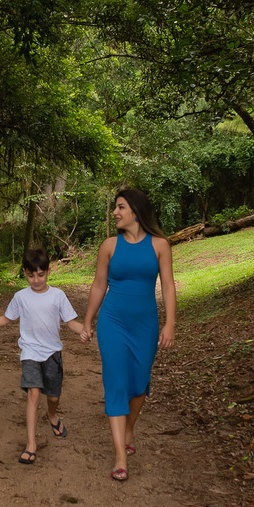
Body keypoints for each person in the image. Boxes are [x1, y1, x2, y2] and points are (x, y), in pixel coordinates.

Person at [80, 188, 176, 482]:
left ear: (135, 210)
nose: (115, 213)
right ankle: (120, 455)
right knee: (117, 382)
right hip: (113, 322)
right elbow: (98, 285)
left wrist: (170, 323)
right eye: (115, 208)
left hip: (145, 325)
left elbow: (169, 285)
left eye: (120, 207)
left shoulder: (160, 245)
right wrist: (88, 320)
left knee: (139, 382)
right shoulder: (109, 246)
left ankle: (130, 426)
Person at [0, 248, 84, 466]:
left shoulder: (58, 296)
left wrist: (84, 330)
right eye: (30, 275)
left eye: (40, 275)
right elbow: (6, 319)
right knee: (33, 395)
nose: (36, 280)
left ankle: (52, 416)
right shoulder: (20, 297)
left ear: (48, 271)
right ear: (25, 273)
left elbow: (71, 322)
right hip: (30, 353)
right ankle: (31, 444)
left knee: (53, 397)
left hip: (52, 353)